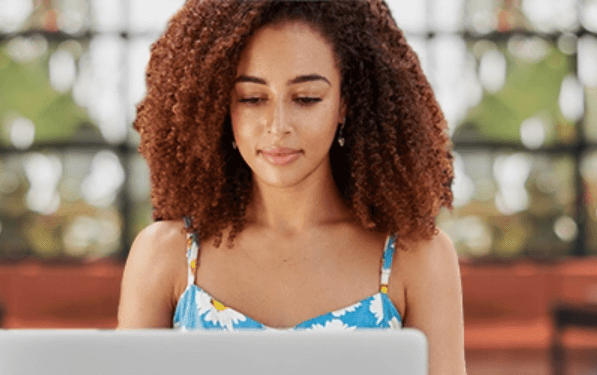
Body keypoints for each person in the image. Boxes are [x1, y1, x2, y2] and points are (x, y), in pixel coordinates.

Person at [117, 1, 465, 373]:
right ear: (219, 105)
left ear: (345, 104)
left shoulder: (416, 259)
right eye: (252, 99)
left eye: (306, 98)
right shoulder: (166, 256)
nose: (277, 125)